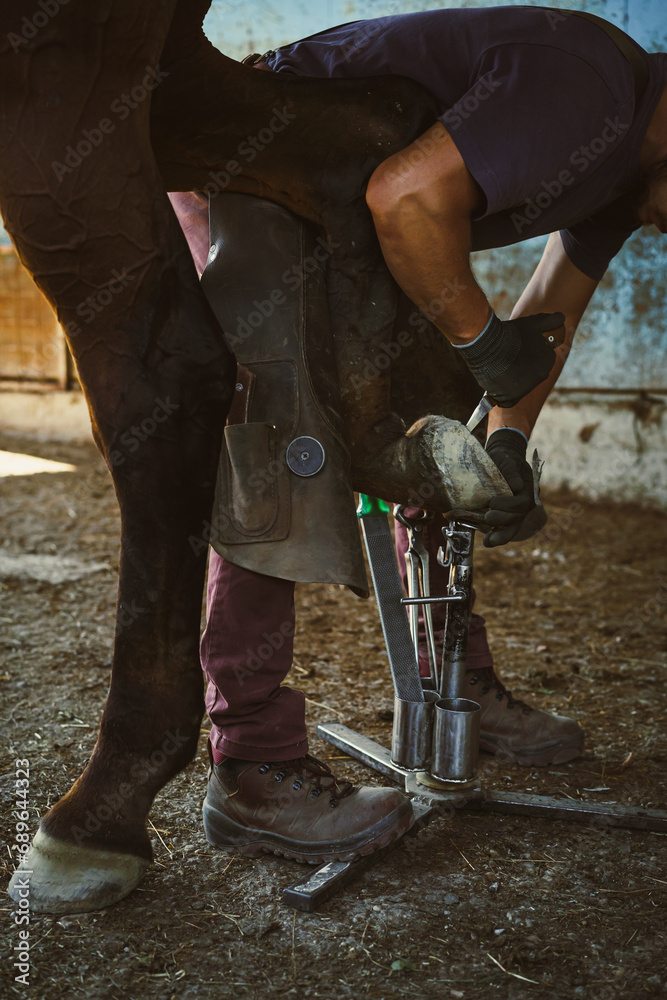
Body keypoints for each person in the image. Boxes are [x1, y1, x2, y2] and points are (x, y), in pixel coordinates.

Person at [171, 5, 667, 864]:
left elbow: (549, 312)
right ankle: (251, 760)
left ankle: (454, 682)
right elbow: (403, 197)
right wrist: (482, 345)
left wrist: (504, 439)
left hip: (360, 204)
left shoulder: (627, 170)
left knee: (437, 426)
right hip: (266, 160)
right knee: (279, 443)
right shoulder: (592, 88)